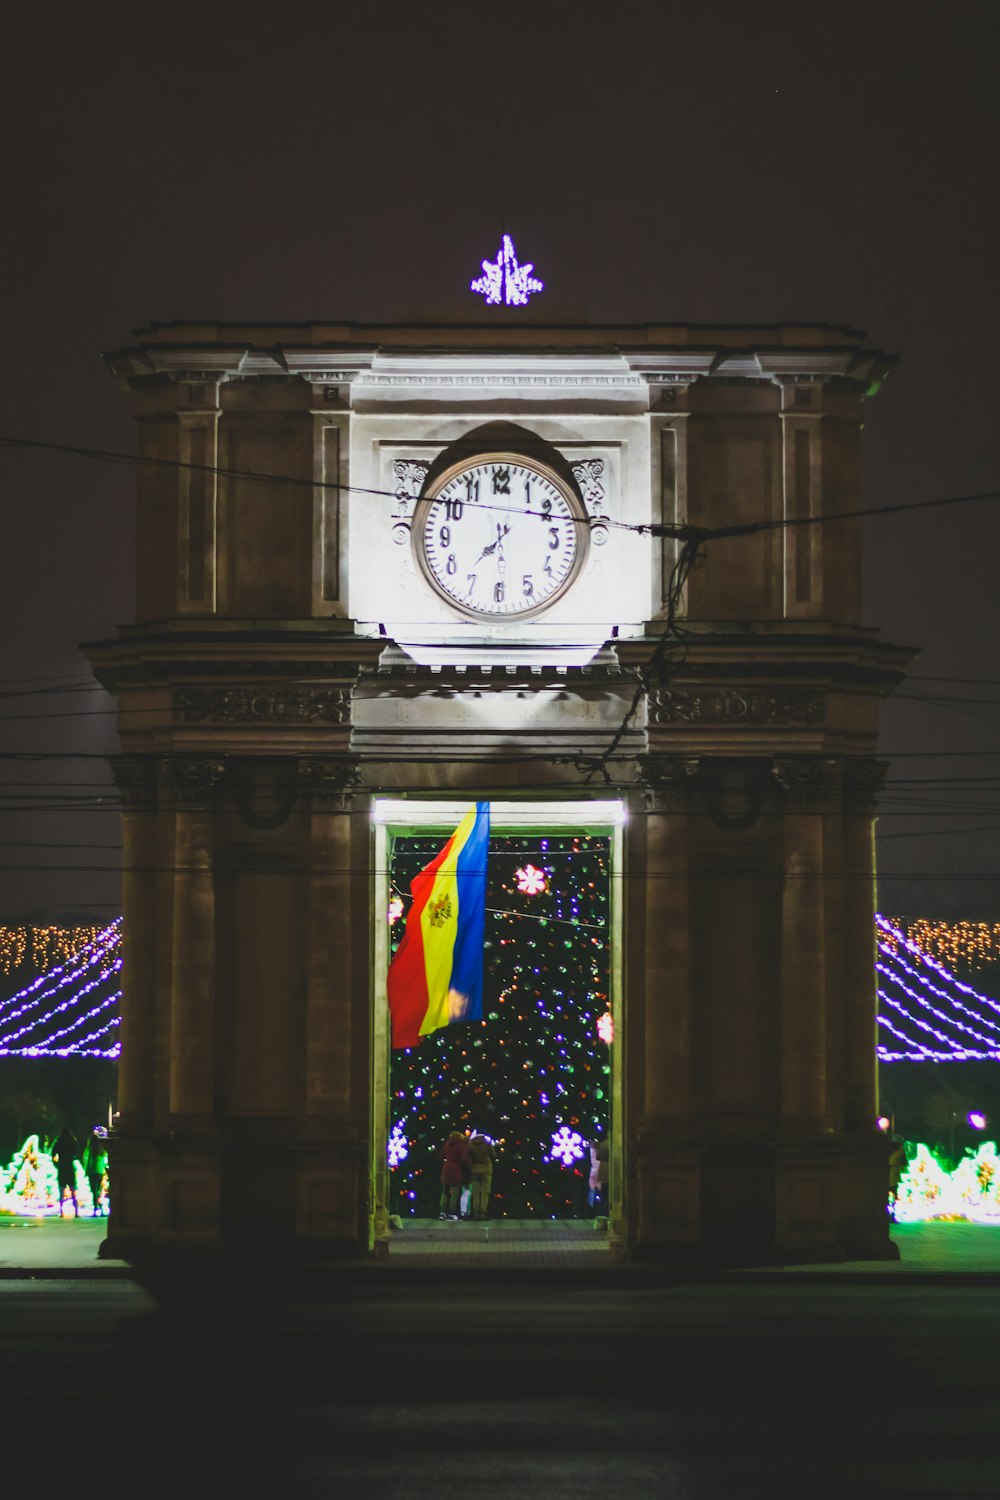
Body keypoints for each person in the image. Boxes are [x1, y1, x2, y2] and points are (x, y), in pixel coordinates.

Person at [439, 1130, 470, 1220]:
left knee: (444, 1192)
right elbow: (464, 1159)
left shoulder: (447, 1143)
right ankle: (451, 1213)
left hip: (446, 1169)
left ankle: (442, 1212)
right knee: (455, 1192)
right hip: (456, 1170)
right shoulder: (462, 1145)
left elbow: (441, 1155)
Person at [52, 1125, 79, 1217]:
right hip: (70, 1167)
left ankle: (61, 1212)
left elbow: (53, 1154)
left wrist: (56, 1164)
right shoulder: (72, 1141)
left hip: (62, 1168)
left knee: (61, 1191)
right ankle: (76, 1212)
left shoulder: (58, 1142)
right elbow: (76, 1153)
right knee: (73, 1191)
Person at [467, 1133, 495, 1221]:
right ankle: (482, 1212)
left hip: (475, 1170)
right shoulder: (487, 1144)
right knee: (485, 1192)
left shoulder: (470, 1144)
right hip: (486, 1170)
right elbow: (493, 1154)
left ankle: (475, 1213)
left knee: (475, 1192)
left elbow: (469, 1158)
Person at [83, 1127, 109, 1216]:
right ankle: (101, 1209)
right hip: (100, 1172)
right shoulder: (102, 1150)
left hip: (92, 1171)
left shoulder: (91, 1150)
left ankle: (95, 1209)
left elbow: (89, 1162)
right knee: (98, 1191)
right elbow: (105, 1162)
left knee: (94, 1192)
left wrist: (86, 1172)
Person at [588, 1133, 608, 1213]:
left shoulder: (593, 1147)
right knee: (602, 1191)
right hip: (601, 1170)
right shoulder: (602, 1145)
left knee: (593, 1190)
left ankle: (591, 1207)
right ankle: (599, 1208)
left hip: (595, 1170)